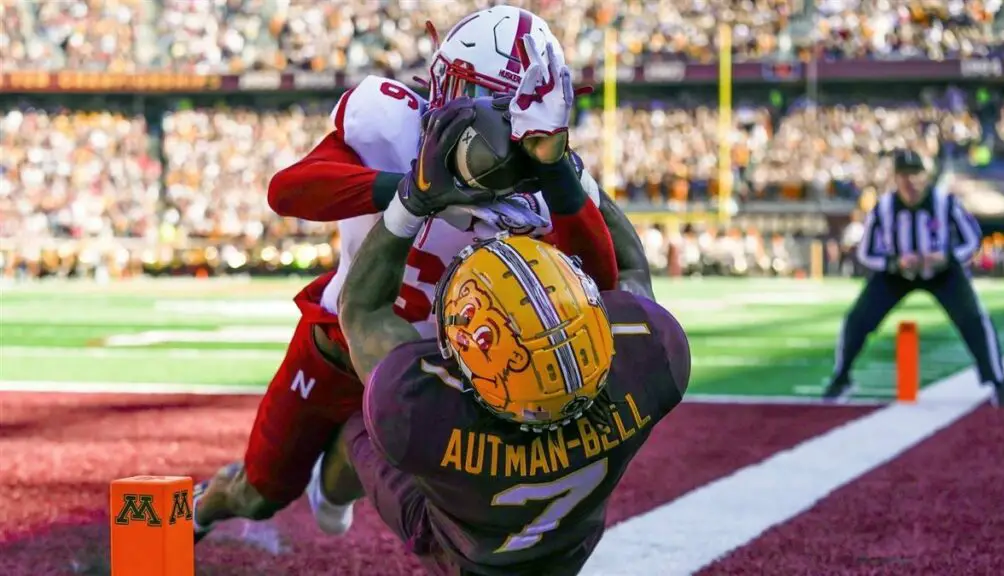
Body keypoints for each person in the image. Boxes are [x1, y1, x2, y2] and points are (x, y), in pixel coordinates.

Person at [192, 6, 651, 542]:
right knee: (260, 492)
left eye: (517, 112)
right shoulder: (394, 126)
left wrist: (560, 177)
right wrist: (410, 189)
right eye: (493, 107)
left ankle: (337, 481)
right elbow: (288, 190)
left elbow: (601, 281)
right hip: (334, 342)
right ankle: (201, 508)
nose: (504, 127)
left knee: (351, 472)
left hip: (424, 369)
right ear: (450, 86)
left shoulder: (546, 185)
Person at [333, 221, 690, 575]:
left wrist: (409, 205)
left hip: (462, 558)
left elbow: (361, 311)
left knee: (353, 425)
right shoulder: (654, 358)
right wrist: (573, 179)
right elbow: (630, 267)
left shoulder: (416, 407)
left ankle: (329, 500)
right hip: (573, 545)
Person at [824, 149, 1004, 408]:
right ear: (895, 178)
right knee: (857, 319)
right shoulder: (884, 208)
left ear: (925, 176)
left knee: (975, 320)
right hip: (896, 274)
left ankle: (998, 382)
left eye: (915, 174)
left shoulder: (944, 202)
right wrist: (894, 262)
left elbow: (972, 240)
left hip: (944, 273)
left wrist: (945, 257)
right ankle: (841, 377)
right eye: (903, 175)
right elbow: (866, 251)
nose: (909, 181)